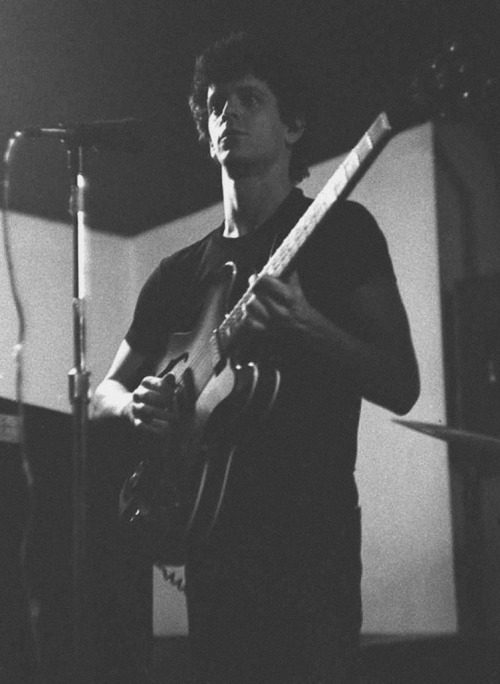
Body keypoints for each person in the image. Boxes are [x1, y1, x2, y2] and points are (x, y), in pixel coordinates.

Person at [91, 31, 420, 684]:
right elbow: (101, 393)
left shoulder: (343, 233)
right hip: (210, 549)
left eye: (250, 99)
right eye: (216, 104)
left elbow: (400, 382)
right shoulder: (176, 274)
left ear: (293, 123)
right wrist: (136, 406)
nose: (228, 114)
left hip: (314, 557)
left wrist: (307, 324)